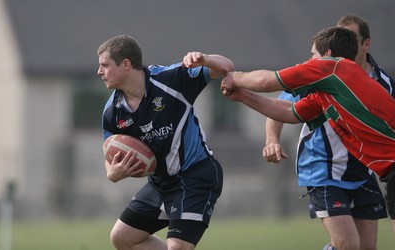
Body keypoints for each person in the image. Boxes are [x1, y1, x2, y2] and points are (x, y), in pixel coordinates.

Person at [221, 27, 395, 246]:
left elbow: (267, 81)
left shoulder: (331, 69)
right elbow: (288, 112)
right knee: (350, 245)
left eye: (313, 54)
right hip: (359, 172)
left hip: (376, 171)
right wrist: (243, 96)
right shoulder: (332, 90)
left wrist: (234, 77)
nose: (309, 60)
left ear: (327, 55)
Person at [97, 35, 234, 250]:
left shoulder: (172, 79)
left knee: (177, 247)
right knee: (122, 238)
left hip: (195, 176)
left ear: (125, 64)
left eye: (104, 65)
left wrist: (204, 59)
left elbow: (226, 67)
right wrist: (113, 173)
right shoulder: (112, 112)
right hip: (160, 183)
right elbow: (110, 156)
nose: (99, 71)